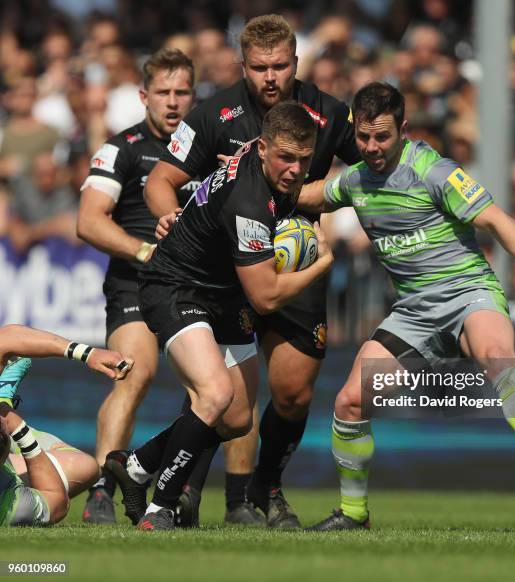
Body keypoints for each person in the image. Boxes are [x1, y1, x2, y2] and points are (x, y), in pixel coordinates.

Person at [297, 82, 515, 530]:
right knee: (349, 401)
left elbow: (497, 219)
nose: (371, 147)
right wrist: (251, 176)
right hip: (414, 314)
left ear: (402, 129)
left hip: (468, 294)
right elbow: (306, 195)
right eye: (363, 137)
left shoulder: (434, 171)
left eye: (382, 137)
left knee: (498, 358)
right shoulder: (356, 179)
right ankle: (353, 514)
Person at [145, 14, 360, 528]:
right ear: (243, 65)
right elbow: (161, 179)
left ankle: (266, 487)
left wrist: (325, 199)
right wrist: (165, 214)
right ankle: (195, 492)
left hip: (294, 266)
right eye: (260, 67)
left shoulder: (328, 114)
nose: (270, 77)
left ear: (296, 63)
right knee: (219, 390)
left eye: (280, 66)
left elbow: (376, 166)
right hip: (227, 275)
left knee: (292, 392)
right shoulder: (211, 113)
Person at [105, 101, 333, 531]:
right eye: (285, 157)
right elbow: (265, 299)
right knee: (213, 395)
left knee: (235, 420)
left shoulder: (254, 152)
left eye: (304, 160)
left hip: (223, 296)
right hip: (176, 286)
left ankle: (135, 467)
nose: (294, 170)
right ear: (264, 148)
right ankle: (159, 510)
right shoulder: (249, 203)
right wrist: (320, 264)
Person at [76, 48, 197, 524]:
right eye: (163, 93)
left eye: (182, 92)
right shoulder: (121, 148)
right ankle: (103, 490)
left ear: (194, 95)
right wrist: (147, 251)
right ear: (144, 96)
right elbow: (88, 221)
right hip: (135, 283)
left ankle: (213, 495)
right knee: (134, 370)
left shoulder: (210, 149)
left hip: (195, 286)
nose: (172, 102)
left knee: (215, 390)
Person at [0, 324, 132, 527]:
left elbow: (7, 337)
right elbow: (57, 500)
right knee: (85, 467)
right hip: (9, 466)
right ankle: (3, 405)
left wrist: (89, 354)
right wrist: (17, 428)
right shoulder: (13, 506)